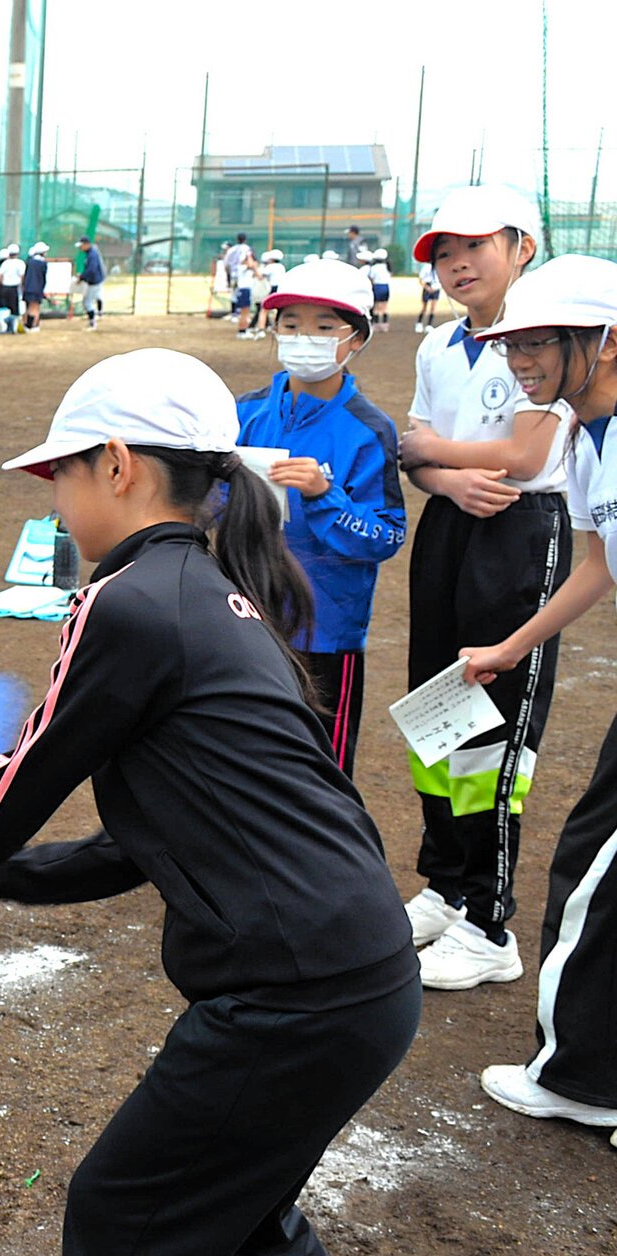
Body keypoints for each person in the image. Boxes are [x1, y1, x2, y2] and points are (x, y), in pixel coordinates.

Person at [0, 348, 420, 1256]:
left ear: (116, 464)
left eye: (60, 475)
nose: (57, 504)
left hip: (294, 1000)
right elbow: (134, 847)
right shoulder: (213, 596)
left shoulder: (128, 601)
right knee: (250, 1225)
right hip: (360, 977)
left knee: (122, 1218)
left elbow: (30, 769)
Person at [395, 185, 570, 991]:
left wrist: (442, 454)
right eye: (442, 254)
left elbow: (529, 460)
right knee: (437, 702)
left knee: (495, 714)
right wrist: (450, 479)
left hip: (522, 530)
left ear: (522, 247)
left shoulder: (547, 340)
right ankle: (447, 884)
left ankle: (489, 922)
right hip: (455, 524)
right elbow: (414, 452)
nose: (457, 265)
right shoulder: (439, 347)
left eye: (475, 247)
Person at [459, 255, 617, 1141]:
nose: (517, 359)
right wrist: (511, 647)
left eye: (537, 342)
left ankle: (584, 1076)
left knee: (597, 876)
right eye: (509, 343)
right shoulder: (588, 437)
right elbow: (597, 564)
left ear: (605, 341)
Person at [236, 259, 405, 776]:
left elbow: (385, 534)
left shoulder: (368, 429)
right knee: (246, 755)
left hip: (325, 630)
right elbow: (211, 503)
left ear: (355, 339)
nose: (303, 337)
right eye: (290, 324)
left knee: (321, 768)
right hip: (246, 616)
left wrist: (324, 495)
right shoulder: (245, 412)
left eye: (324, 327)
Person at [226, 233, 256, 333]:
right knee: (244, 307)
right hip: (242, 281)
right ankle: (241, 326)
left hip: (234, 275)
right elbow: (251, 264)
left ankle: (234, 313)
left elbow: (226, 264)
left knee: (234, 295)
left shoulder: (231, 249)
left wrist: (228, 276)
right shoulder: (246, 249)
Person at [76, 235, 106, 329]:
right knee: (96, 297)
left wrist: (82, 277)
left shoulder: (92, 254)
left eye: (82, 245)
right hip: (96, 280)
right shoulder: (90, 253)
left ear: (87, 244)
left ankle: (92, 323)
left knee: (87, 302)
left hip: (94, 281)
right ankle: (98, 315)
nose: (80, 248)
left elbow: (91, 270)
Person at [0, 243, 26, 332]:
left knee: (6, 307)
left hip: (5, 287)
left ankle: (6, 326)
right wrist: (22, 284)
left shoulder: (5, 263)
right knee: (15, 309)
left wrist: (3, 283)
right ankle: (12, 327)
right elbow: (22, 275)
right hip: (15, 287)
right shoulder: (20, 263)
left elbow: (0, 275)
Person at [24, 242, 50, 331]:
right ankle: (34, 325)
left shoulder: (29, 262)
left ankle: (27, 325)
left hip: (28, 287)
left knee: (29, 307)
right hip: (38, 288)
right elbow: (43, 277)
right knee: (35, 307)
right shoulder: (43, 264)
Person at [365, 248, 393, 327]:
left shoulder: (373, 268)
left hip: (377, 286)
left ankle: (376, 324)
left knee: (377, 307)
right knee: (385, 306)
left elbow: (371, 278)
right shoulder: (387, 267)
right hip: (386, 287)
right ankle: (385, 324)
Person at [416, 257, 442, 333]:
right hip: (428, 286)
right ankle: (419, 323)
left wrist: (437, 287)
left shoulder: (439, 267)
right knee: (424, 307)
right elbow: (421, 279)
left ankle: (429, 325)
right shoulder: (426, 267)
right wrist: (427, 287)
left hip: (436, 287)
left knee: (433, 308)